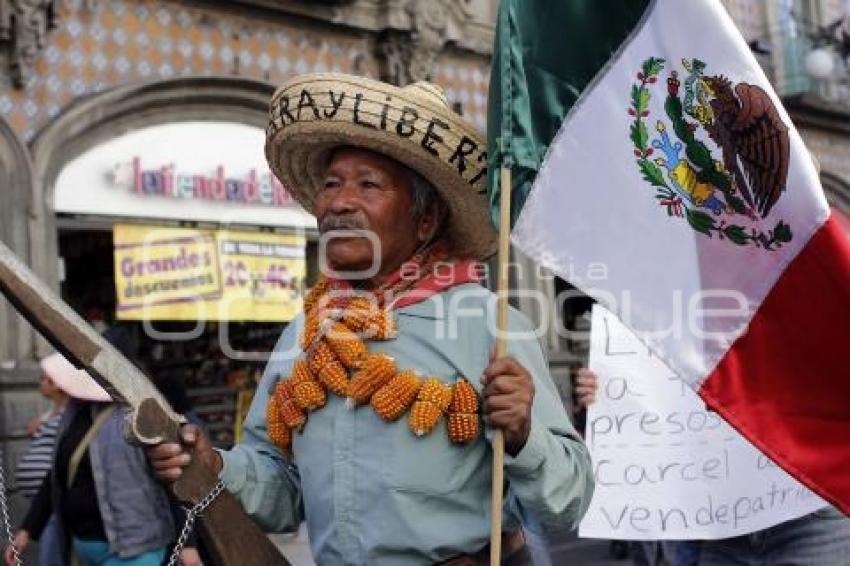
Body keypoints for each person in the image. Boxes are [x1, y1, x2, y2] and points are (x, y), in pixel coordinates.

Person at [149, 73, 594, 564]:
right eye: (332, 184)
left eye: (368, 185)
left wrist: (524, 435)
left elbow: (567, 504)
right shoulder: (307, 332)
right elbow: (281, 489)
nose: (339, 202)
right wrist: (216, 468)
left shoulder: (487, 324)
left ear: (424, 221)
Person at [575, 368, 850, 566]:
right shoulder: (689, 322)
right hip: (725, 530)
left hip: (812, 520)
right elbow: (660, 392)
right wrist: (613, 392)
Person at [1, 352, 194, 566]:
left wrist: (188, 544)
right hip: (82, 549)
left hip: (134, 550)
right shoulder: (74, 413)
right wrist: (27, 531)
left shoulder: (139, 415)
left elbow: (173, 477)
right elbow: (56, 478)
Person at [12, 360, 69, 566]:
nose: (41, 383)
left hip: (55, 500)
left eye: (47, 379)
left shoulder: (69, 414)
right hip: (43, 502)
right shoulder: (50, 415)